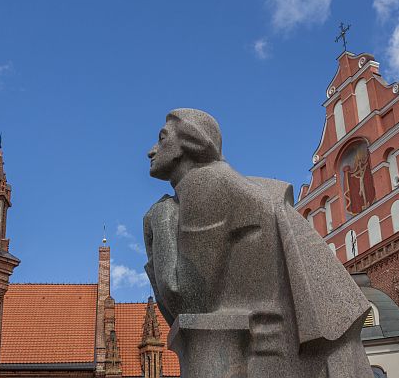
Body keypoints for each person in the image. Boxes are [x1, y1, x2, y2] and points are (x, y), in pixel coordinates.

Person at [144, 108, 373, 378]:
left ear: (190, 143)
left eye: (162, 138)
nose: (152, 150)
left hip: (260, 361)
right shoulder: (221, 183)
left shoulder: (205, 184)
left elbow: (189, 301)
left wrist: (161, 223)